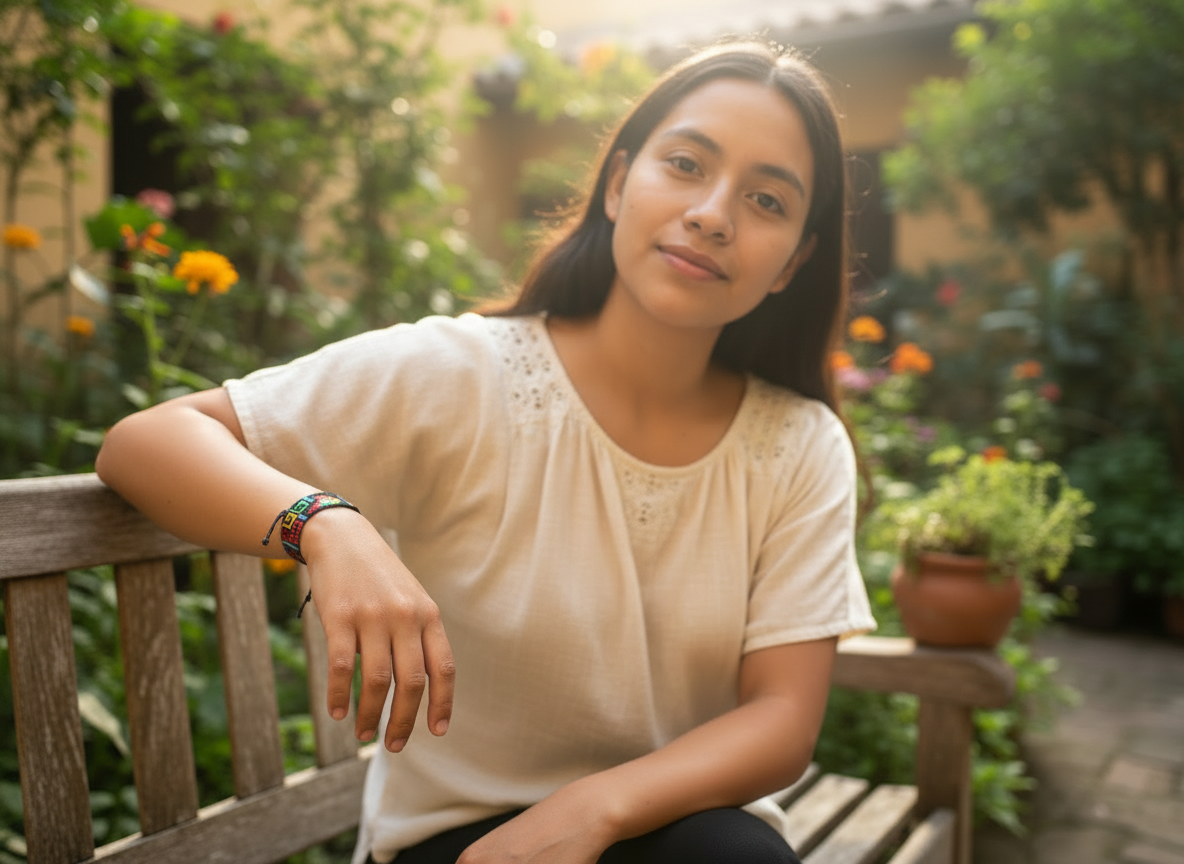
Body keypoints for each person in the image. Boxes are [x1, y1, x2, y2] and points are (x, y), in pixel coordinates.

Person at [96, 40, 875, 864]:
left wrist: (596, 809)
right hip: (456, 840)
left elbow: (782, 718)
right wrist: (325, 527)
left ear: (794, 261)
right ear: (617, 184)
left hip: (671, 826)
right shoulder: (461, 376)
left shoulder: (796, 445)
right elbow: (148, 441)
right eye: (685, 163)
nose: (714, 213)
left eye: (766, 200)